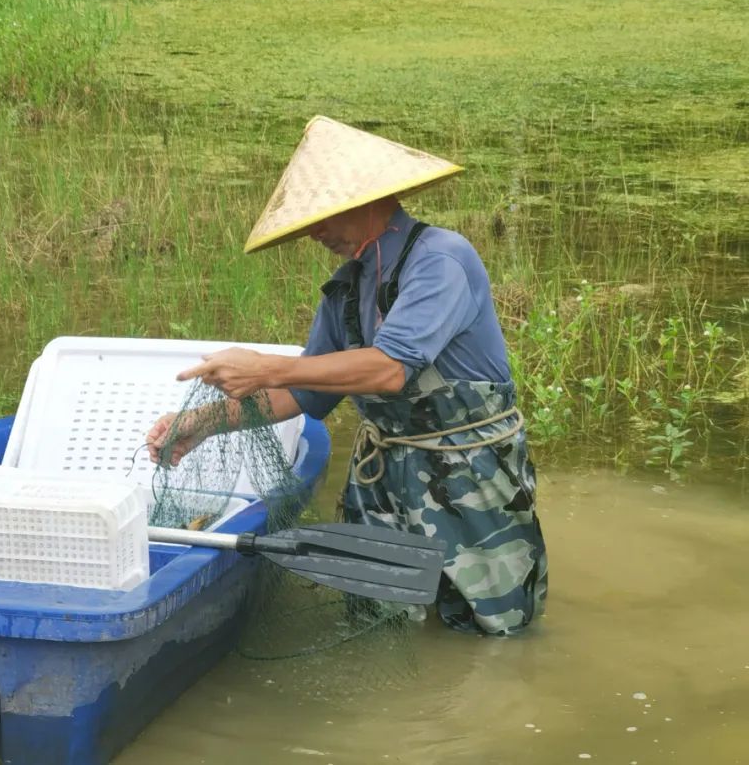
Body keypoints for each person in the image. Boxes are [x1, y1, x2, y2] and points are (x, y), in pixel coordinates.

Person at [147, 116, 547, 636]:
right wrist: (202, 423)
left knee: (493, 627)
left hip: (470, 481)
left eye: (323, 216)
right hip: (383, 485)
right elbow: (301, 393)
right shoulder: (347, 289)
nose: (316, 232)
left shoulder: (441, 260)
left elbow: (388, 370)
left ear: (370, 199)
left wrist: (264, 364)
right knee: (380, 624)